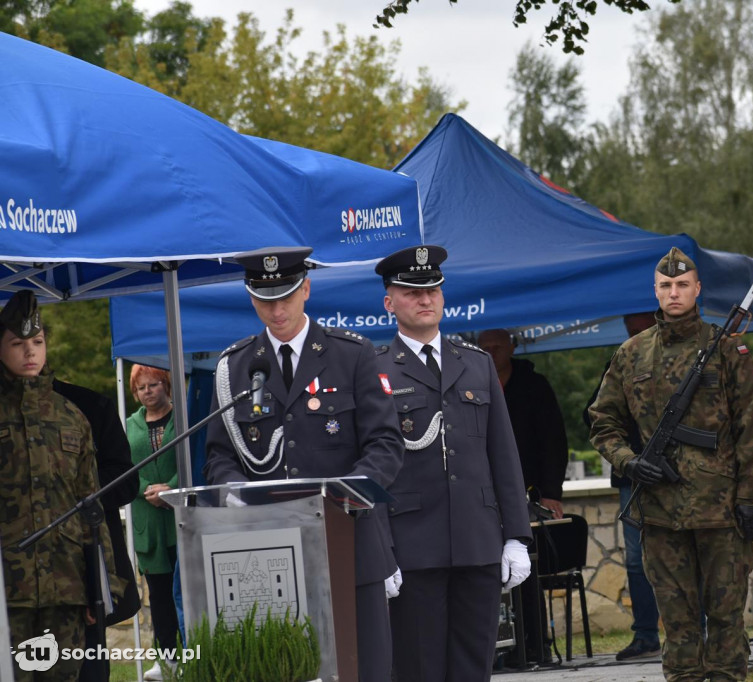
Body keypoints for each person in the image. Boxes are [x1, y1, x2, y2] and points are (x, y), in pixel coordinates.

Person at [204, 246, 404, 682]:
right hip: (269, 553)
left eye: (286, 296)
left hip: (348, 542)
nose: (276, 310)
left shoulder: (352, 354)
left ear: (307, 289)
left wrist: (345, 494)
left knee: (362, 669)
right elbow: (219, 457)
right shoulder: (235, 367)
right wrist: (239, 495)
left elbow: (386, 443)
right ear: (250, 298)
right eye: (264, 299)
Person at [588, 248, 753, 682]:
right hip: (661, 512)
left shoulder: (726, 350)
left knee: (727, 622)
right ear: (656, 290)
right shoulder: (631, 354)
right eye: (666, 286)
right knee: (679, 625)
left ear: (697, 289)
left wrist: (748, 498)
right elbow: (602, 421)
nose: (674, 293)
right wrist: (629, 463)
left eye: (682, 285)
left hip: (720, 511)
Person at [373, 245, 532, 681]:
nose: (425, 299)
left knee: (474, 666)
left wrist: (516, 535)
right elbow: (371, 472)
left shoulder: (476, 364)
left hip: (477, 544)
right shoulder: (375, 371)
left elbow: (503, 455)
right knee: (418, 668)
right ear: (389, 302)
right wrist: (380, 549)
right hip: (412, 548)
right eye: (411, 291)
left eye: (433, 290)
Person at [0, 290, 125, 682]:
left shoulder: (72, 417)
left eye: (37, 342)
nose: (30, 353)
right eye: (18, 344)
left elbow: (93, 508)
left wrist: (103, 586)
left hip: (66, 587)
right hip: (8, 590)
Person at [477, 327, 568, 664]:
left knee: (525, 571)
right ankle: (493, 651)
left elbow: (553, 442)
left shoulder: (534, 386)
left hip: (528, 493)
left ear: (512, 348)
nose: (491, 352)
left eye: (497, 347)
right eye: (484, 348)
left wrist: (550, 492)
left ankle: (533, 645)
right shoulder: (470, 383)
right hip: (483, 495)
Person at [583, 311, 663, 661]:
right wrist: (627, 453)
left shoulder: (684, 359)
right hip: (633, 475)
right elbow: (594, 414)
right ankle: (646, 634)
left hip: (681, 474)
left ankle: (701, 631)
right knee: (636, 560)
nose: (635, 337)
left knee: (694, 553)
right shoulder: (618, 362)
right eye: (630, 331)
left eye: (641, 330)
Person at [52, 378, 141, 682]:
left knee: (88, 666)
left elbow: (126, 481)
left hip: (81, 567)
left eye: (37, 342)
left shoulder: (90, 406)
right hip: (18, 580)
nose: (28, 352)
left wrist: (73, 489)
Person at [125, 364, 181, 681]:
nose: (147, 391)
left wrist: (171, 487)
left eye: (154, 384)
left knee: (184, 590)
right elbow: (124, 468)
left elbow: (193, 458)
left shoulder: (182, 418)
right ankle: (167, 660)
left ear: (166, 385)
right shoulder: (129, 424)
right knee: (159, 596)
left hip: (179, 518)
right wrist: (149, 490)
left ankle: (193, 653)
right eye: (141, 387)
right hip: (148, 523)